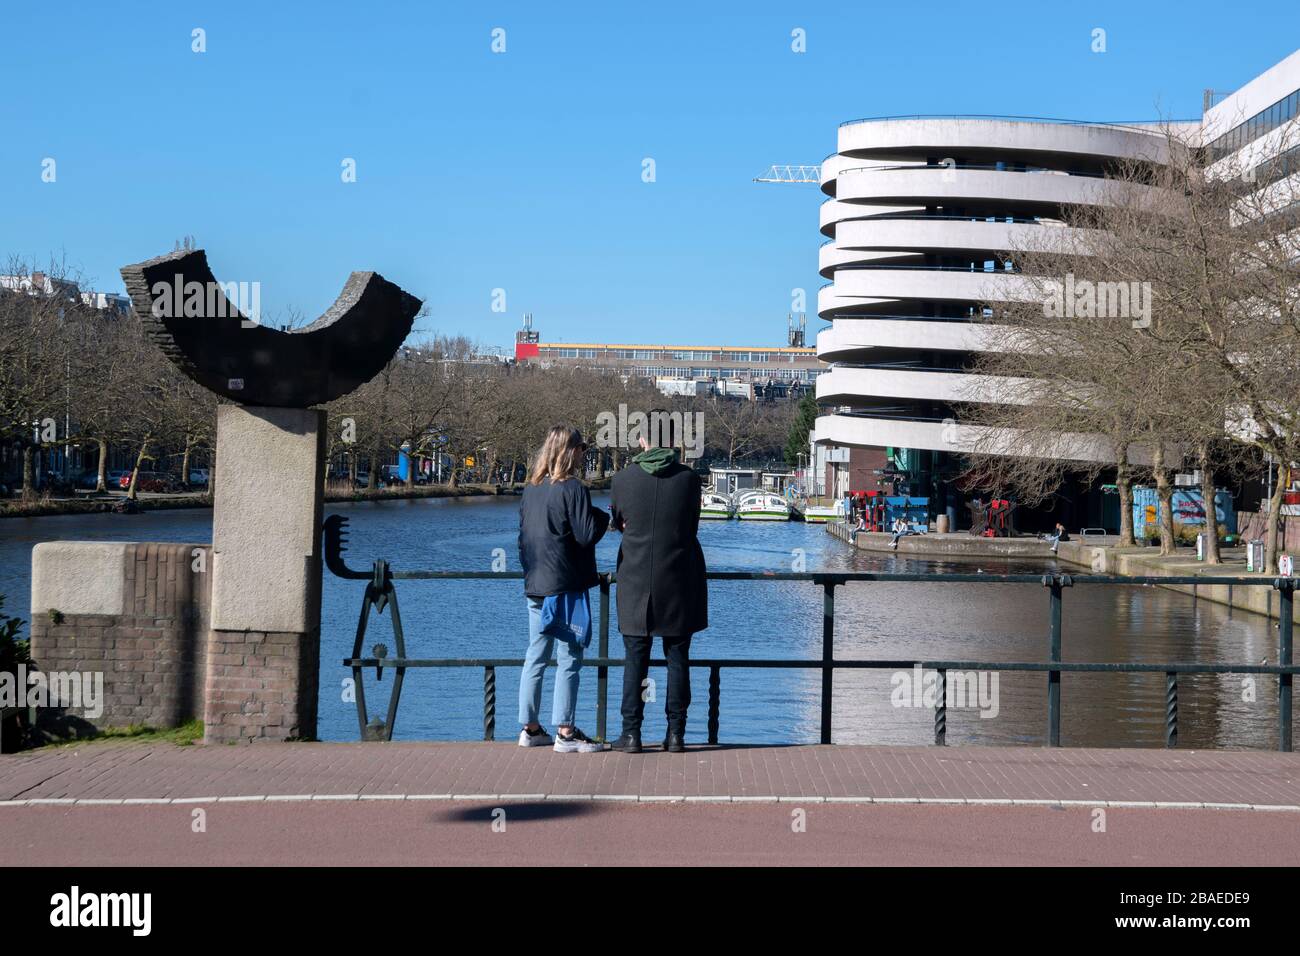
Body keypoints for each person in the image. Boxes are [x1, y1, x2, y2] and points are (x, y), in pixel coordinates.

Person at [609, 412, 708, 754]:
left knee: (635, 659)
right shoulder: (689, 480)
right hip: (679, 581)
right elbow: (691, 528)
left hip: (635, 582)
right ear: (673, 441)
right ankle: (676, 734)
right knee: (678, 657)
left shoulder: (623, 480)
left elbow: (619, 522)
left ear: (641, 440)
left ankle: (631, 734)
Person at [516, 425, 610, 753]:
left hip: (536, 585)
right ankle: (566, 732)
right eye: (582, 448)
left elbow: (523, 539)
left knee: (535, 655)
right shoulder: (572, 488)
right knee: (570, 656)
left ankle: (530, 728)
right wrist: (603, 518)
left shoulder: (531, 489)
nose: (585, 454)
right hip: (566, 585)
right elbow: (586, 534)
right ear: (571, 452)